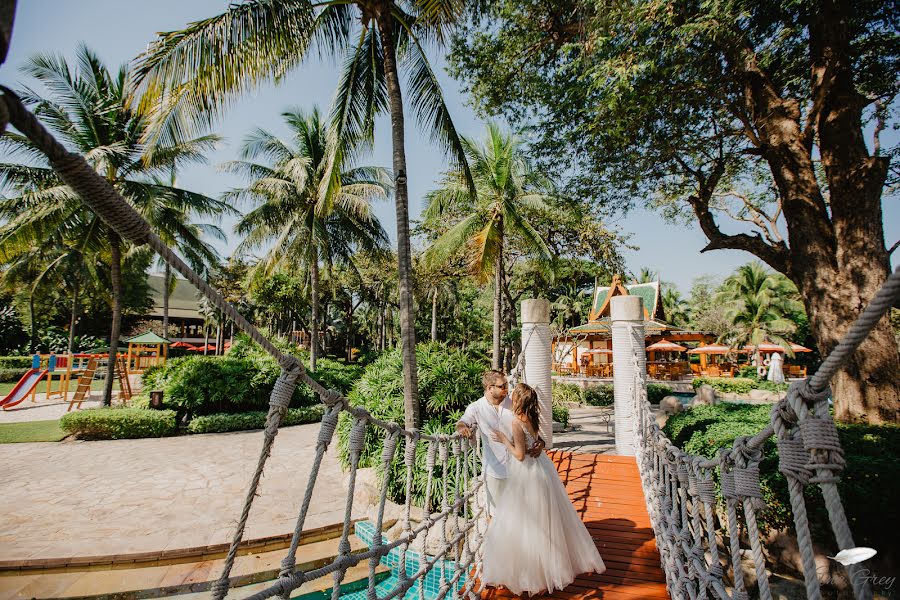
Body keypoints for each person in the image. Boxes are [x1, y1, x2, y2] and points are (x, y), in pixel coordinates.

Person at [481, 383, 606, 595]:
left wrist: (503, 440)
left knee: (522, 523)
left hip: (526, 474)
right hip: (542, 471)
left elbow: (520, 455)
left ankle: (529, 576)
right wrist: (539, 443)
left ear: (519, 401)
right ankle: (543, 570)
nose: (510, 398)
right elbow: (537, 441)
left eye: (513, 396)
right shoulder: (532, 419)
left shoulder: (516, 423)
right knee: (542, 523)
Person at [456, 370, 544, 515]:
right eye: (502, 386)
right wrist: (462, 427)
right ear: (490, 388)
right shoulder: (476, 408)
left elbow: (531, 430)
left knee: (521, 516)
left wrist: (540, 443)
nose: (507, 389)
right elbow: (463, 421)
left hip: (520, 470)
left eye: (506, 385)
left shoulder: (515, 403)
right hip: (494, 471)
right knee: (494, 514)